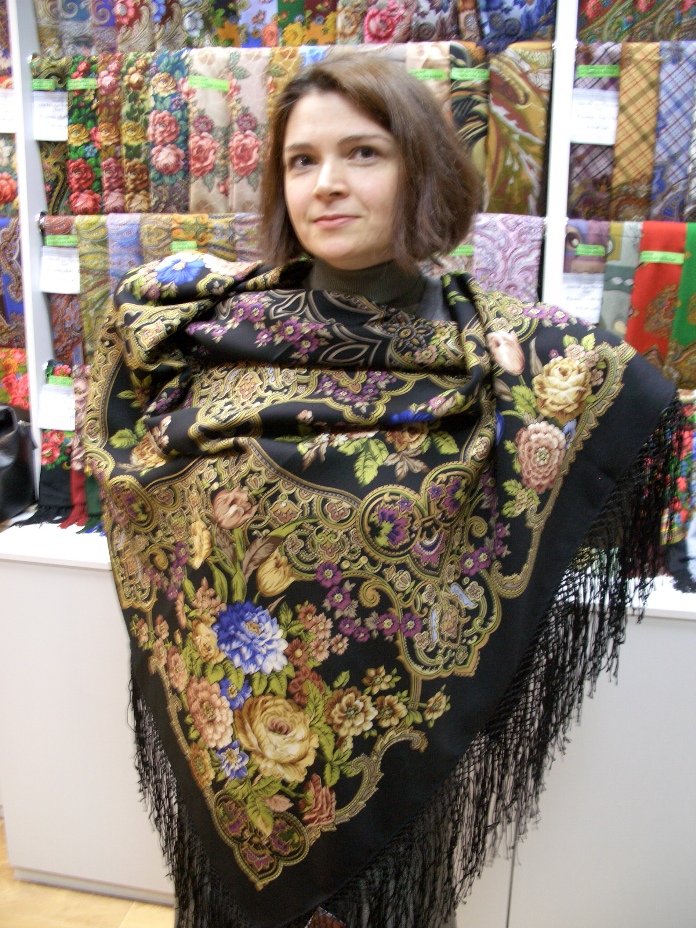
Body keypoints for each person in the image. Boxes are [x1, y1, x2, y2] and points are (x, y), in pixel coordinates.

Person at [85, 55, 683, 928]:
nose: (326, 183)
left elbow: (627, 411)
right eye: (301, 161)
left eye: (362, 153)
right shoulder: (211, 336)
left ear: (422, 168)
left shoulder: (504, 354)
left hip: (394, 785)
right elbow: (148, 493)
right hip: (235, 757)